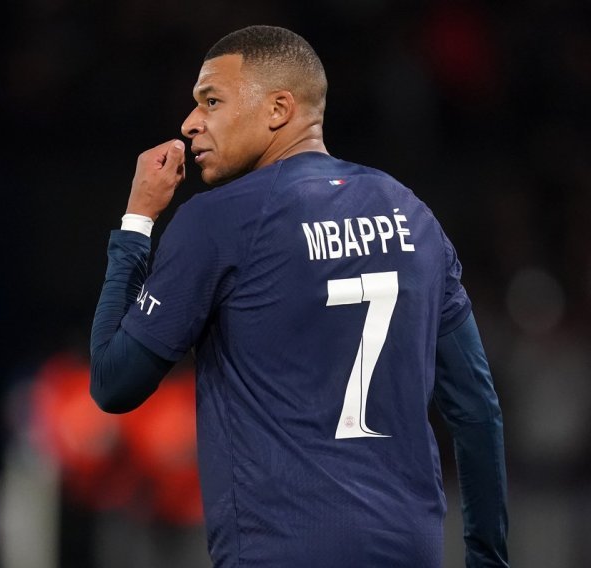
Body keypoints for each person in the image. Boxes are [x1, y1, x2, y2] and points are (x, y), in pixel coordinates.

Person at [90, 25, 508, 567]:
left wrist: (137, 221)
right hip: (408, 549)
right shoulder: (412, 214)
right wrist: (488, 558)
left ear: (278, 109)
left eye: (211, 101)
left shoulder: (218, 221)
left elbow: (113, 382)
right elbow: (475, 409)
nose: (190, 123)